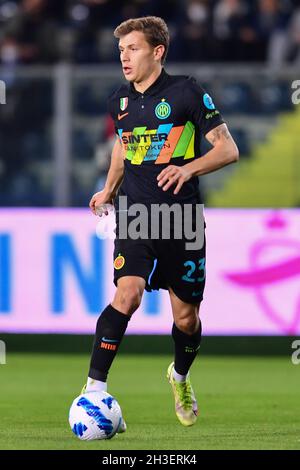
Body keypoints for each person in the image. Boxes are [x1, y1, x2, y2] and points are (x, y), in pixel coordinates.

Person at [86, 16, 239, 430]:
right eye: (121, 50)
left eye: (132, 48)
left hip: (183, 219)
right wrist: (109, 191)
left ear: (157, 52)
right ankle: (93, 391)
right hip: (137, 215)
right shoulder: (119, 99)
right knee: (127, 294)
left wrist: (189, 170)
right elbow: (122, 146)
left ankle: (180, 376)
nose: (124, 57)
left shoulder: (187, 91)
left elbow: (228, 150)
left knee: (186, 319)